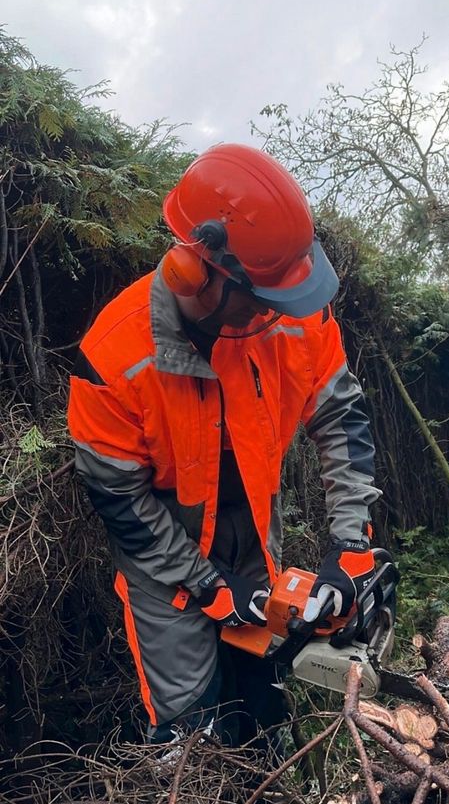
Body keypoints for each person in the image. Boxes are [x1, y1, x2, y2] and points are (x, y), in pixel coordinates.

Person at [67, 143, 380, 749]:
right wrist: (208, 586)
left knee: (262, 693)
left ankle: (266, 789)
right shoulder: (112, 356)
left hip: (255, 536)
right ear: (196, 271)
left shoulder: (296, 319)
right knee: (189, 726)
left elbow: (341, 418)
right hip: (165, 556)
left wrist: (350, 545)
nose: (273, 313)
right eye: (261, 297)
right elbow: (123, 506)